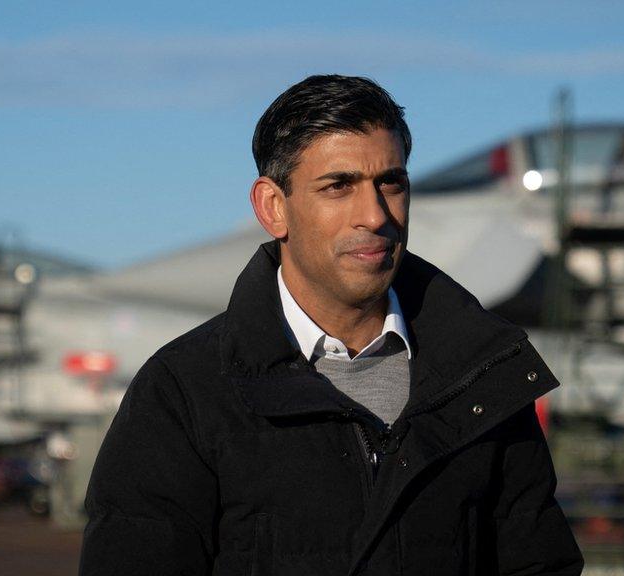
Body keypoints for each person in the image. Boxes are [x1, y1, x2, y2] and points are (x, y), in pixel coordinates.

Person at [79, 75, 583, 575]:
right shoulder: (183, 392)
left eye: (392, 182)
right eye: (338, 186)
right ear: (274, 208)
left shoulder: (482, 372)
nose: (375, 215)